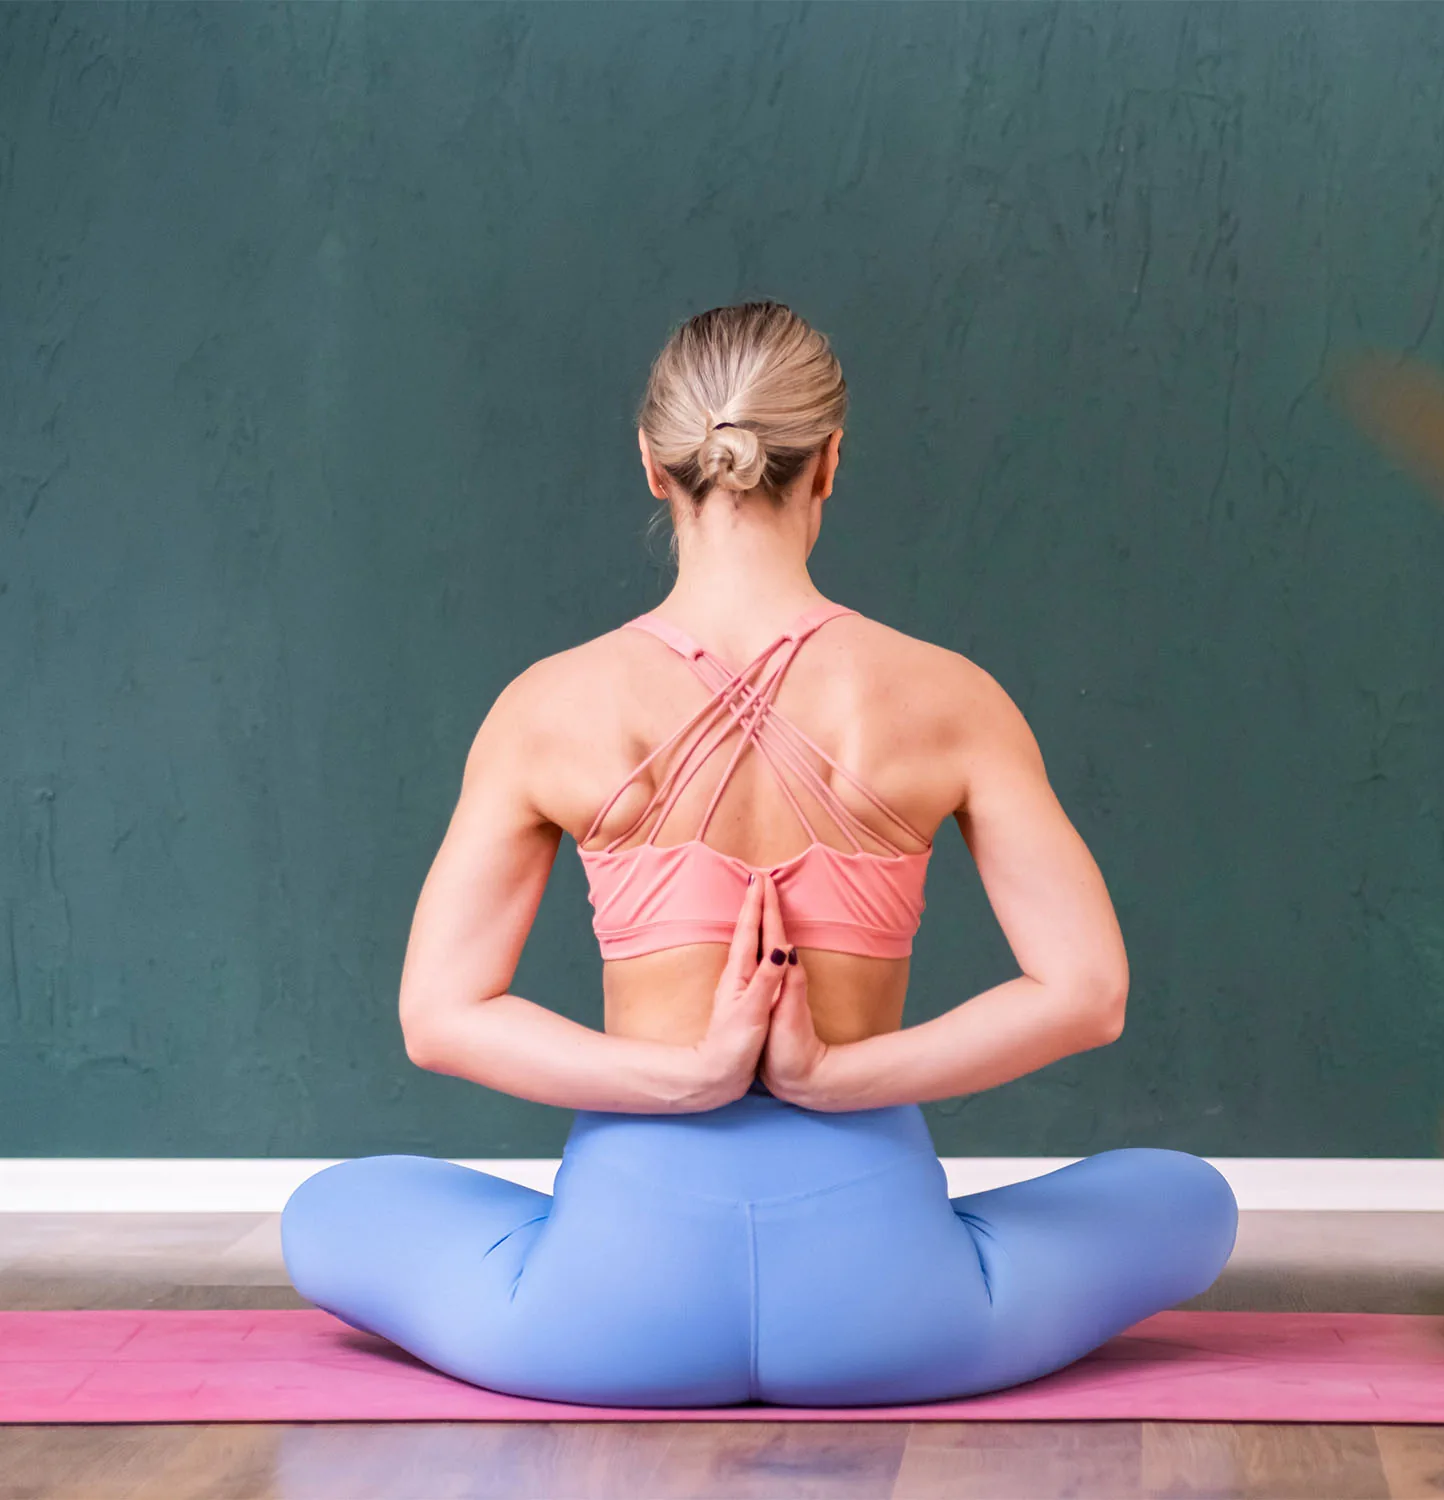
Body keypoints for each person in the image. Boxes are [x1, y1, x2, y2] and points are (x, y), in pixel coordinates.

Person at [281, 301, 1237, 1407]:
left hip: (606, 1314)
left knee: (331, 1212)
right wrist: (833, 1077)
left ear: (653, 463)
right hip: (897, 1313)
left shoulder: (546, 706)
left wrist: (684, 1079)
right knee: (1184, 1198)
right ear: (829, 461)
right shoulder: (950, 697)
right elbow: (1088, 994)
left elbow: (437, 1019)